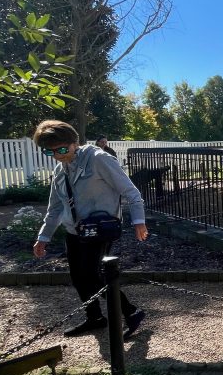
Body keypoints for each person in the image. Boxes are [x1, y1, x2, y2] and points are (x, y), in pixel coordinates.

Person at [32, 120, 147, 338]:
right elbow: (55, 207)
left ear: (74, 143)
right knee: (78, 277)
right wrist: (43, 237)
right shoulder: (60, 170)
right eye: (50, 152)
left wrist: (138, 222)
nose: (57, 156)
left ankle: (132, 312)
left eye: (62, 150)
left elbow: (131, 192)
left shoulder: (99, 159)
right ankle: (94, 317)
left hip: (100, 228)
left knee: (93, 276)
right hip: (75, 231)